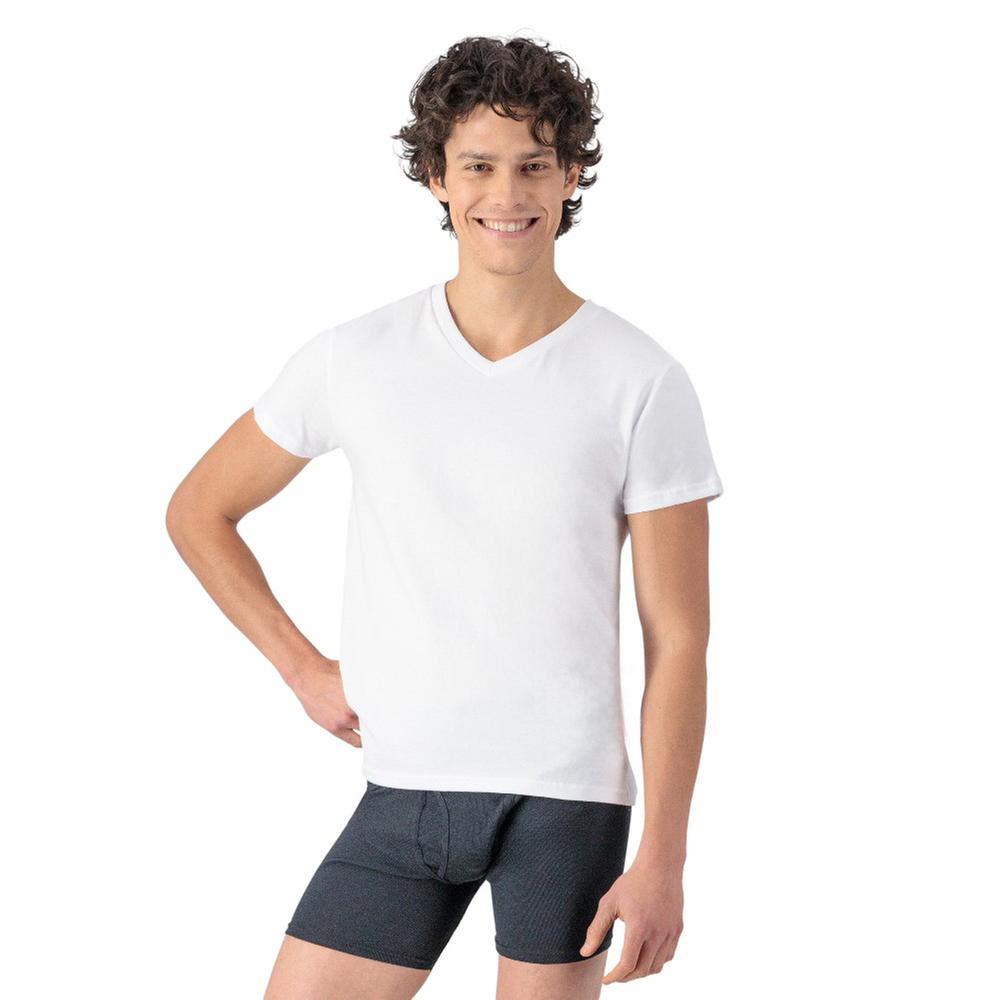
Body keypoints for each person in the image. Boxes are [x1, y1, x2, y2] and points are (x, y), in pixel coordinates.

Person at [166, 34, 723, 1000]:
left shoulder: (640, 379)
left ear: (571, 174)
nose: (506, 194)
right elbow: (199, 511)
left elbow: (678, 639)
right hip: (406, 786)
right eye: (478, 166)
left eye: (534, 165)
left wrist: (664, 858)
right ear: (435, 175)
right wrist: (301, 668)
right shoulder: (354, 357)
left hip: (566, 805)